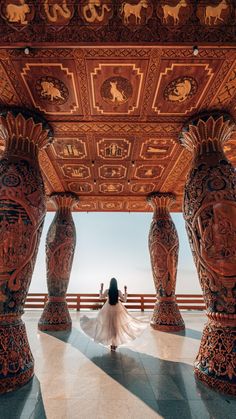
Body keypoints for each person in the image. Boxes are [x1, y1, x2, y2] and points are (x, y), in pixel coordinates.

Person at [80, 278, 147, 351]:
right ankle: (114, 345)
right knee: (116, 327)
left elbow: (100, 297)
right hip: (117, 309)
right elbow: (124, 300)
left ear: (110, 284)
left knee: (108, 326)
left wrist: (101, 289)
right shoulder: (118, 292)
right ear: (116, 284)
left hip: (107, 308)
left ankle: (111, 343)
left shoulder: (107, 291)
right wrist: (125, 291)